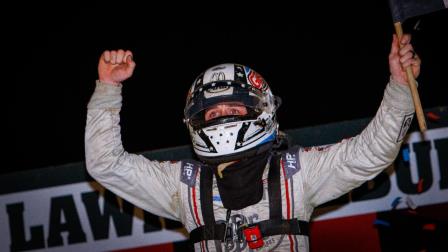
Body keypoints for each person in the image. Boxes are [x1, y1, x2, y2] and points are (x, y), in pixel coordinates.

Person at [85, 34, 421, 251]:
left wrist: (399, 84)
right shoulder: (185, 186)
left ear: (262, 110)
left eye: (233, 108)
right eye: (213, 111)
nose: (224, 117)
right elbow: (105, 163)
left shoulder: (297, 174)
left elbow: (372, 151)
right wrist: (107, 88)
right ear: (194, 121)